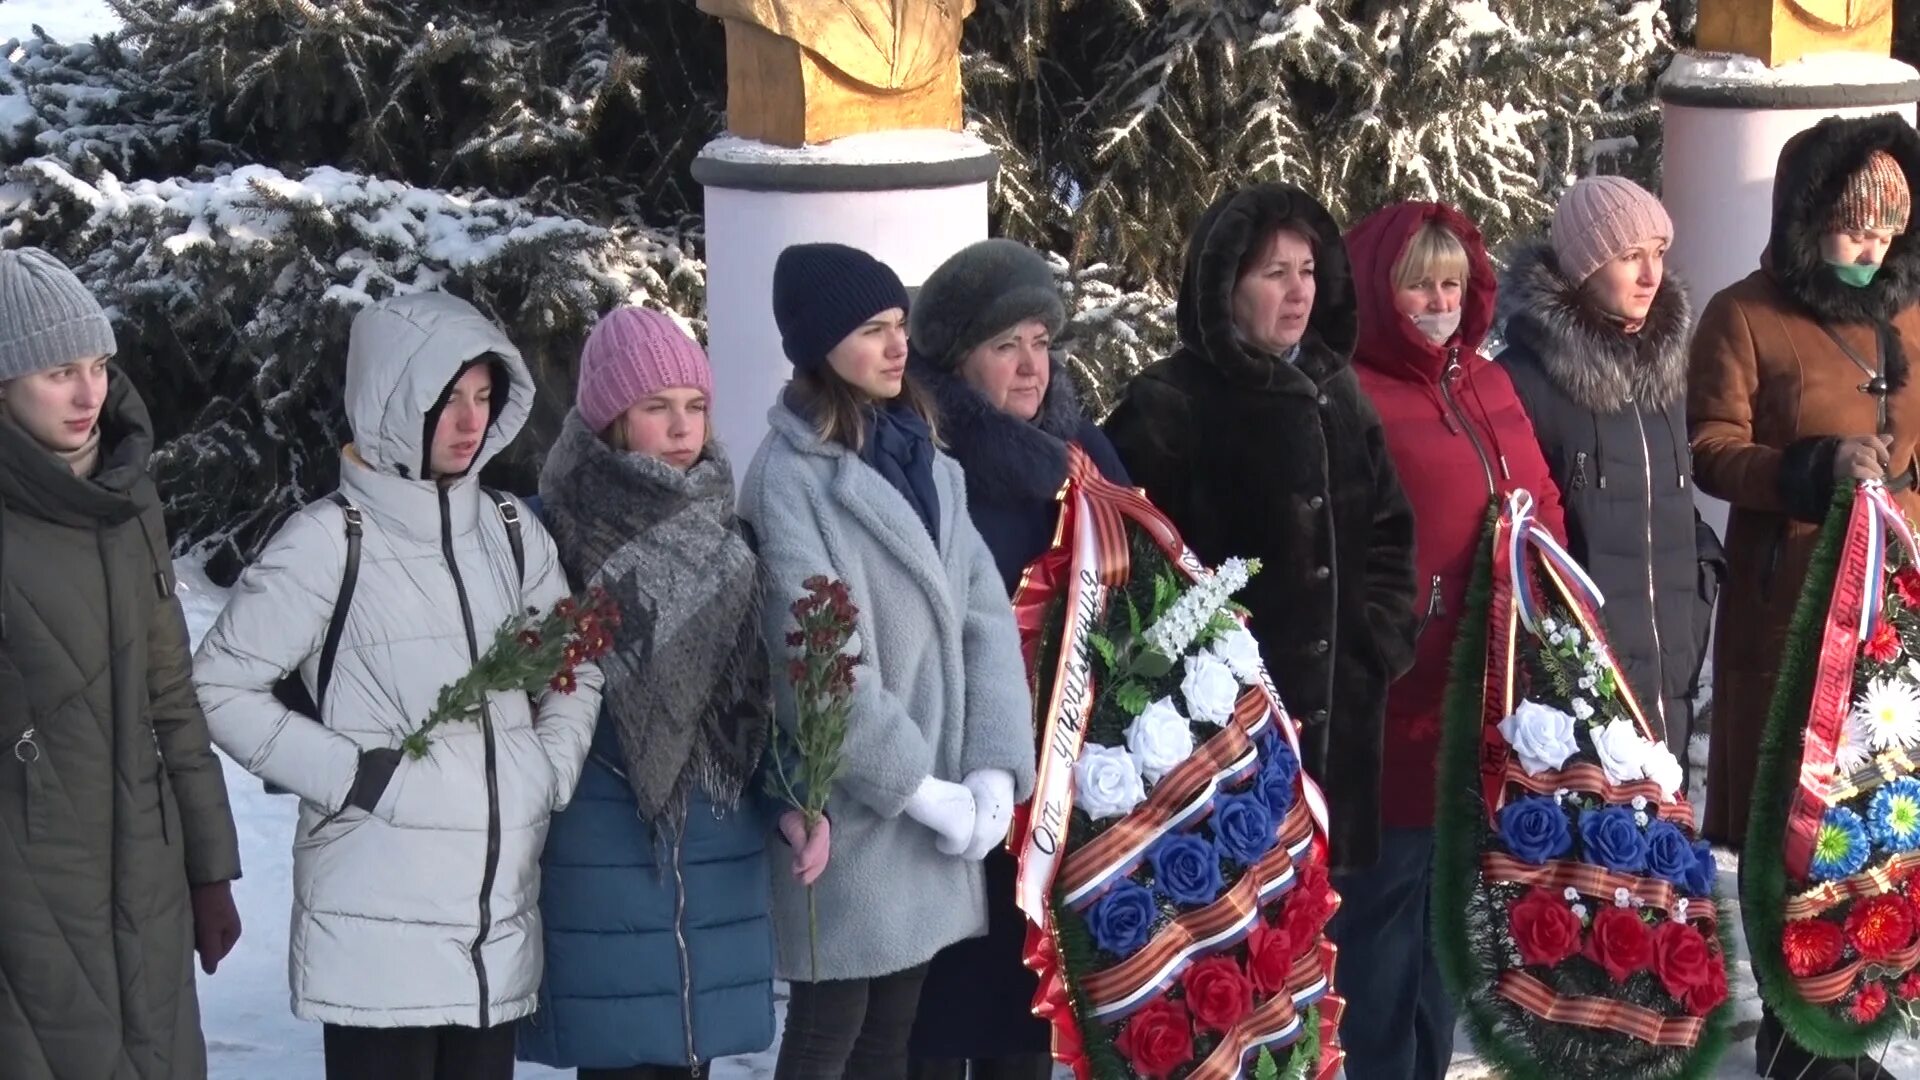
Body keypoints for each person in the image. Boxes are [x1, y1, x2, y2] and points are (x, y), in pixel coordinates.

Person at [193, 291, 604, 1080]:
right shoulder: (327, 542)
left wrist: (546, 768)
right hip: (373, 939)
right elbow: (218, 685)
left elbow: (573, 661)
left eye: (484, 399)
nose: (469, 422)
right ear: (391, 399)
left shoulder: (513, 535)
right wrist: (353, 775)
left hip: (494, 934)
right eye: (446, 400)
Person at [740, 242, 1037, 1080]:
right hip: (856, 806)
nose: (896, 346)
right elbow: (814, 660)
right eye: (872, 330)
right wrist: (917, 787)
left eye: (899, 325)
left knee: (893, 1037)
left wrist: (989, 769)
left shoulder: (925, 457)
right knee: (830, 1031)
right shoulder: (790, 478)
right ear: (820, 345)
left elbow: (984, 615)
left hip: (933, 800)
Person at [517, 306, 831, 1079]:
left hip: (713, 852)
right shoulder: (549, 534)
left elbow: (752, 703)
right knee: (622, 1062)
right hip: (602, 848)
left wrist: (791, 800)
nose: (682, 427)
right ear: (610, 418)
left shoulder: (730, 535)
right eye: (656, 407)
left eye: (694, 406)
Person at [1689, 113, 1920, 1080]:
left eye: (1887, 232)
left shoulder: (1910, 314)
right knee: (1794, 824)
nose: (1871, 249)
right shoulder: (1743, 315)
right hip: (1789, 622)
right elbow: (1708, 447)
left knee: (1883, 822)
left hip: (1892, 623)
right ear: (1804, 218)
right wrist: (1811, 467)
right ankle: (1796, 1036)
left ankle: (1865, 1016)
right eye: (1852, 228)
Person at [1102, 183, 1421, 876]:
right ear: (1226, 287)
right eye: (1275, 273)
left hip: (1344, 740)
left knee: (1338, 954)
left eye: (1307, 272)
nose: (1298, 291)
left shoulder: (1338, 390)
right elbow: (1125, 571)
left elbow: (1391, 529)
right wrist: (1189, 689)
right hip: (1221, 744)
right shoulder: (1171, 404)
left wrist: (1380, 640)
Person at [0, 247, 242, 1079]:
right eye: (58, 370)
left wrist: (210, 869)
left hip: (148, 874)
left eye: (97, 364)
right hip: (28, 894)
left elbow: (169, 694)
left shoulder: (130, 492)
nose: (88, 392)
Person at [1342, 202, 1565, 1080]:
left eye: (1451, 283)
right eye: (1415, 286)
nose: (1437, 302)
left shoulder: (1485, 378)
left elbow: (1540, 497)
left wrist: (1549, 594)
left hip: (1484, 692)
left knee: (1449, 919)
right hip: (1399, 695)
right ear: (1376, 290)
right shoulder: (1353, 391)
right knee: (1384, 919)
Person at [901, 239, 1128, 1079]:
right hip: (954, 791)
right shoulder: (924, 463)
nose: (1031, 367)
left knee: (1024, 1025)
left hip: (1059, 790)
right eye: (1007, 347)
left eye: (1040, 341)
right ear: (959, 362)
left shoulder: (1083, 459)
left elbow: (1142, 586)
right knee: (934, 1027)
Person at [1498, 175, 1722, 792]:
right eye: (1630, 257)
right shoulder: (1523, 377)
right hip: (1584, 669)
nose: (1651, 275)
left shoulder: (1667, 368)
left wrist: (1703, 573)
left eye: (1658, 253)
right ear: (1583, 268)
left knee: (1668, 850)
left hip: (1672, 653)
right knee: (1599, 866)